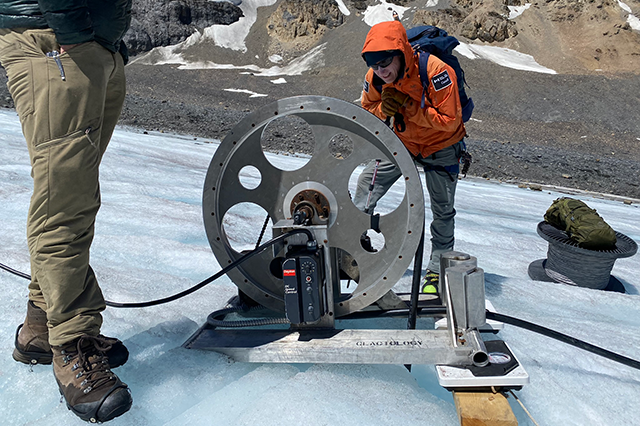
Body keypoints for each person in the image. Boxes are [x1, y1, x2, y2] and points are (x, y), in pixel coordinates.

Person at [0, 0, 134, 422]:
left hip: (88, 43)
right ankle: (73, 345)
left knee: (73, 193)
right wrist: (75, 31)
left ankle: (40, 329)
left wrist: (105, 42)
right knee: (65, 202)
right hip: (58, 41)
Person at [355, 19, 467, 294]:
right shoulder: (375, 78)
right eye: (374, 65)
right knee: (366, 184)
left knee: (442, 211)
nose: (380, 71)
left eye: (385, 63)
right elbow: (367, 111)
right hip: (403, 143)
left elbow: (451, 120)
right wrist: (385, 109)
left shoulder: (436, 71)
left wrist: (408, 107)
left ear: (401, 54)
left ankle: (436, 271)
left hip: (441, 147)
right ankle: (351, 249)